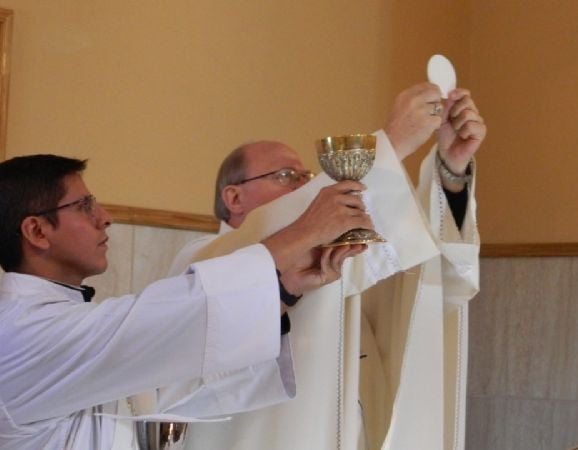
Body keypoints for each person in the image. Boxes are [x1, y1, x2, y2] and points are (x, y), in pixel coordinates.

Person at [0, 154, 369, 450]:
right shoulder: (21, 334)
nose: (104, 217)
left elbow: (173, 386)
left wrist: (282, 291)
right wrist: (306, 230)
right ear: (37, 230)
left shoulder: (55, 320)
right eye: (84, 206)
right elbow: (183, 309)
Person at [166, 82, 485, 450]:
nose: (308, 188)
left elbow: (426, 286)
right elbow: (264, 256)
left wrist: (450, 175)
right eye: (286, 176)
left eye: (306, 178)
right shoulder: (203, 258)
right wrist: (389, 145)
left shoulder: (349, 259)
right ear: (233, 197)